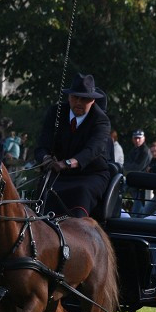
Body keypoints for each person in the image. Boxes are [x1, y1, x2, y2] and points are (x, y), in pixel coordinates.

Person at [34, 73, 112, 218]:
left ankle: (78, 233)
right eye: (75, 97)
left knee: (81, 191)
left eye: (84, 99)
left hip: (90, 175)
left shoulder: (101, 120)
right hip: (60, 175)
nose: (78, 102)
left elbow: (92, 150)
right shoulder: (55, 112)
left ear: (93, 100)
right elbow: (41, 145)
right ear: (69, 97)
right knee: (45, 189)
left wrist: (67, 163)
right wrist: (45, 158)